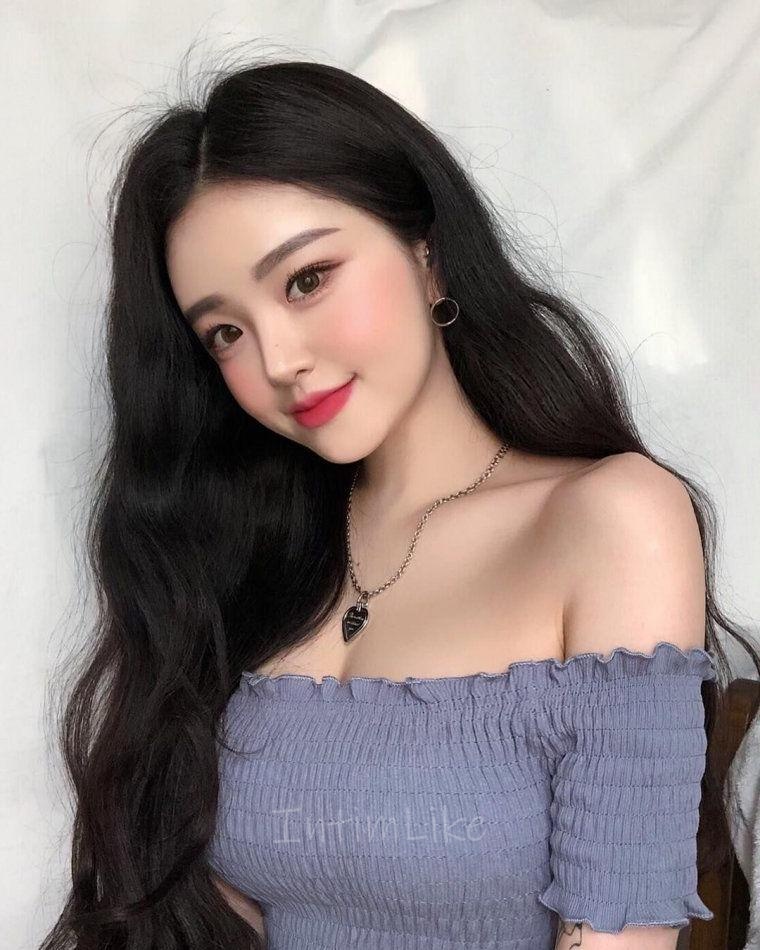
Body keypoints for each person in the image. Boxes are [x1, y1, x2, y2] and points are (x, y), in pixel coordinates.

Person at [39, 56, 759, 950]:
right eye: (226, 332)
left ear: (429, 256)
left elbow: (623, 933)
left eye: (307, 280)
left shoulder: (612, 519)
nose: (279, 361)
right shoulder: (252, 558)